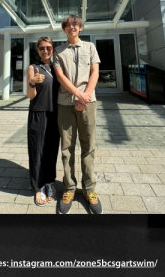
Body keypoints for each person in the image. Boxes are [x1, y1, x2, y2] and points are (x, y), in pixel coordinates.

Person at [53, 15, 102, 214]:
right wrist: (78, 95)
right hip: (65, 104)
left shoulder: (90, 47)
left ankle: (89, 188)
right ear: (64, 29)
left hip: (88, 103)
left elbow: (95, 73)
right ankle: (69, 187)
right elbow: (60, 76)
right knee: (66, 148)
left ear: (80, 27)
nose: (72, 27)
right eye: (68, 25)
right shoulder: (58, 51)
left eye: (75, 24)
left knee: (88, 147)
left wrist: (86, 97)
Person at [26, 37, 61, 207]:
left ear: (53, 48)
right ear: (37, 50)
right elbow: (30, 96)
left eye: (48, 47)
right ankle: (38, 186)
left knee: (52, 150)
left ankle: (49, 182)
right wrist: (32, 82)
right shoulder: (33, 68)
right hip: (38, 114)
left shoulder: (57, 68)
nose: (45, 50)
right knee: (37, 151)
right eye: (41, 48)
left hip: (55, 115)